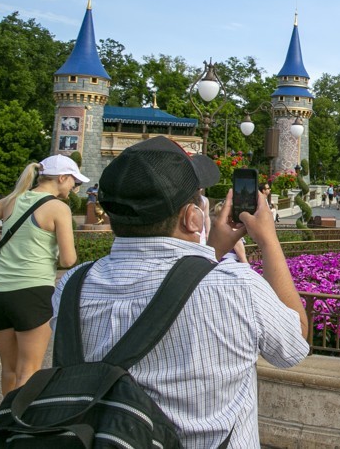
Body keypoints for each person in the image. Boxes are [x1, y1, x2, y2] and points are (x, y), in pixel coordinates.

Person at [52, 136, 309, 447]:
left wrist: (212, 249)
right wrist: (268, 240)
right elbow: (294, 344)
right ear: (192, 217)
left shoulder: (72, 286)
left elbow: (177, 289)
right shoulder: (238, 286)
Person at [0, 155, 83, 393]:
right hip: (32, 293)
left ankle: (3, 424)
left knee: (9, 370)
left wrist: (0, 240)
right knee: (28, 371)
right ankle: (19, 426)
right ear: (62, 178)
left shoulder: (10, 201)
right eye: (74, 181)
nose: (75, 187)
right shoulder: (58, 208)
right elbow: (68, 259)